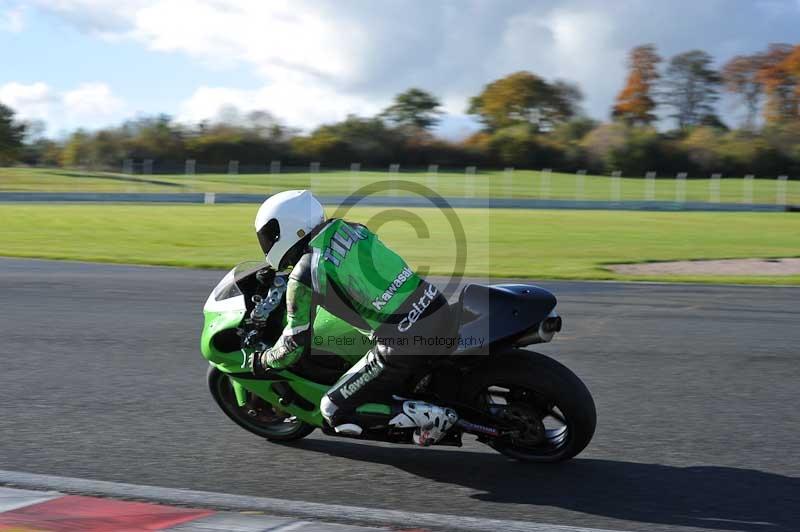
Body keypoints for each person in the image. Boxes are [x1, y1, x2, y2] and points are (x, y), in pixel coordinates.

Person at [247, 190, 458, 445]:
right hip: (435, 305)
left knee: (332, 409)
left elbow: (294, 344)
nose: (267, 243)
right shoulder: (351, 228)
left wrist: (263, 360)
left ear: (287, 228)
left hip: (402, 342)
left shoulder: (305, 273)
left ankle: (429, 417)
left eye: (269, 236)